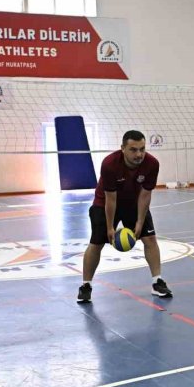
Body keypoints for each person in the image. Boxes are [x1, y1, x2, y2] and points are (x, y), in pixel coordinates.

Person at [78, 130, 171, 303]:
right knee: (96, 243)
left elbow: (145, 195)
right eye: (133, 150)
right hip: (104, 202)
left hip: (134, 202)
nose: (139, 154)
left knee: (150, 238)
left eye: (142, 149)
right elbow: (110, 199)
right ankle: (86, 286)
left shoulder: (152, 164)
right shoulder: (110, 164)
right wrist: (109, 228)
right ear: (123, 148)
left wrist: (140, 221)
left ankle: (157, 281)